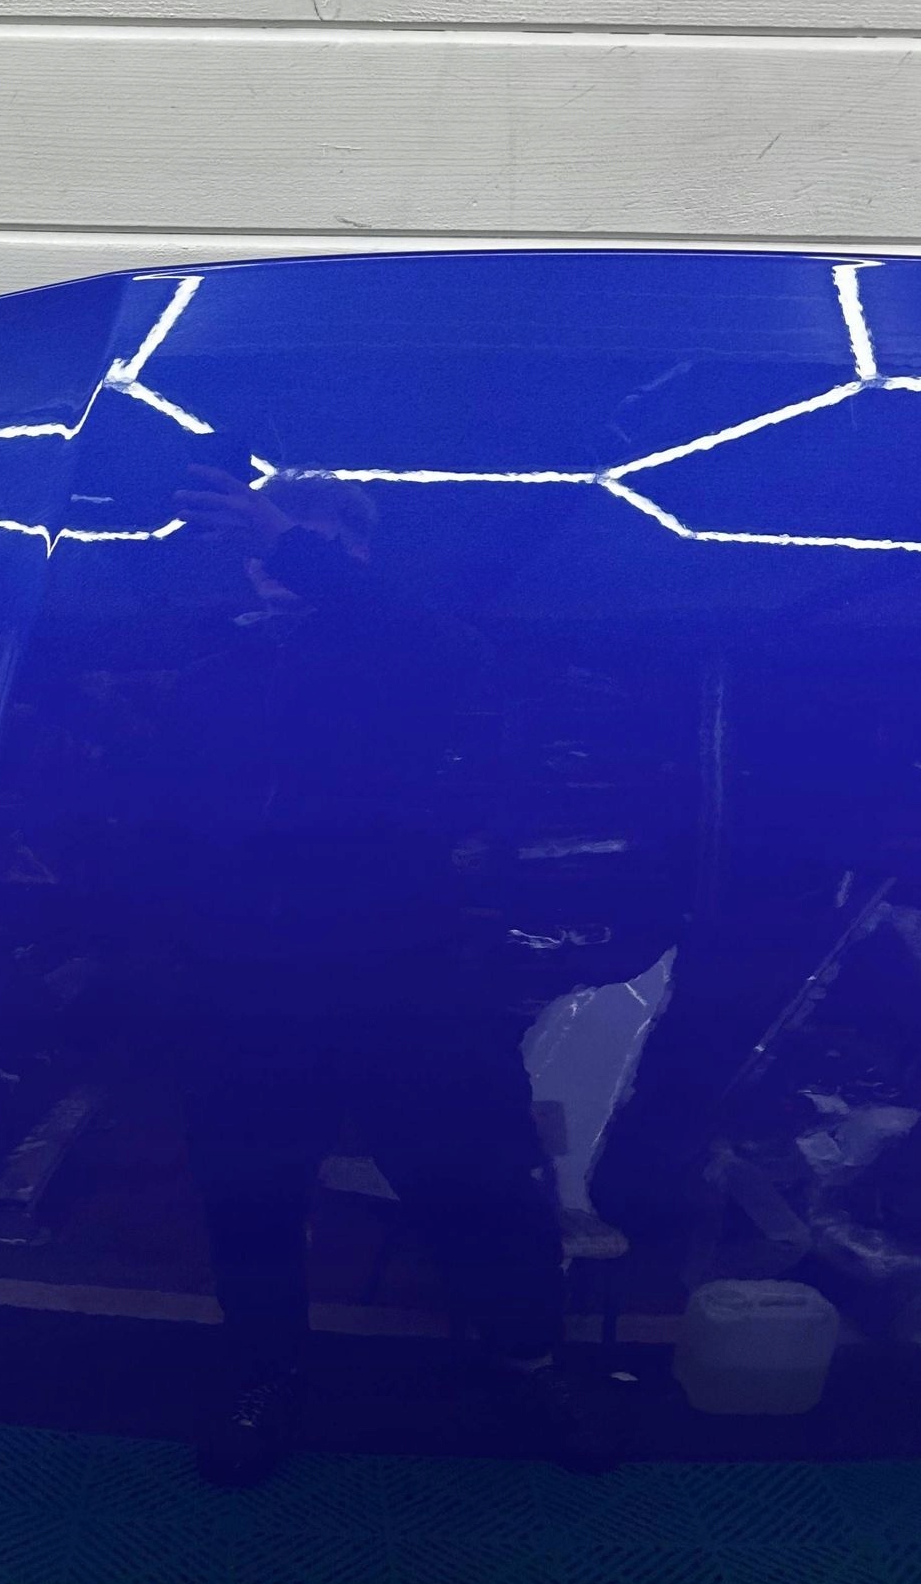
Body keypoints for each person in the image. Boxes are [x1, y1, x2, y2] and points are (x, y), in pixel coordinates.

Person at [141, 463, 621, 1482]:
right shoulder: (211, 677)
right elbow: (155, 819)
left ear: (353, 557)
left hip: (406, 973)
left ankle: (527, 1361)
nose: (277, 563)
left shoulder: (411, 652)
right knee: (250, 1189)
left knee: (479, 1179)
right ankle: (265, 1373)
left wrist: (286, 538)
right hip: (249, 980)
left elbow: (437, 651)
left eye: (313, 544)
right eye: (267, 549)